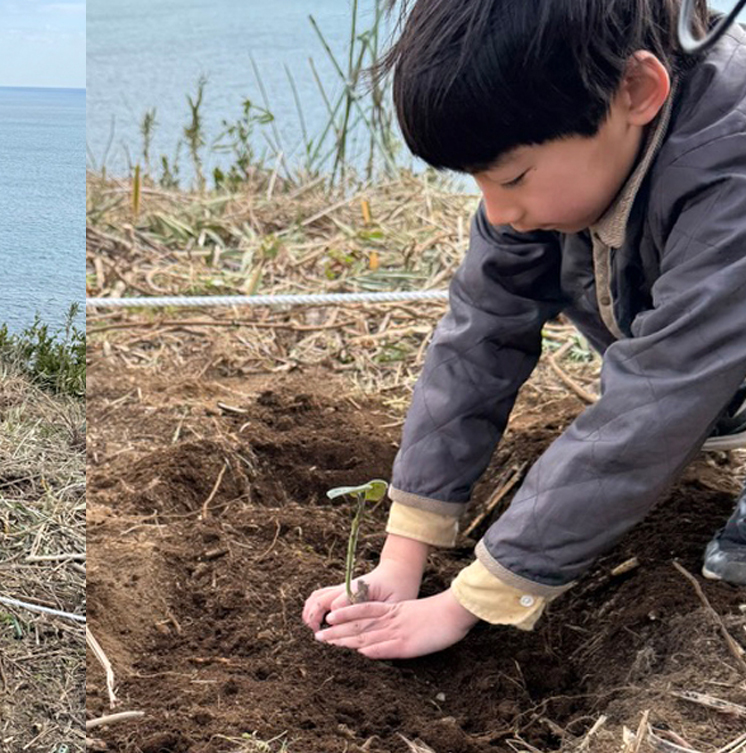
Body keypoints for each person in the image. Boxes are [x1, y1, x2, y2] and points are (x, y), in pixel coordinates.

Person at [302, 0, 746, 659]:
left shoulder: (730, 177)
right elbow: (478, 335)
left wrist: (469, 600)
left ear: (637, 91)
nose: (498, 210)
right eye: (479, 182)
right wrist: (402, 557)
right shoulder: (567, 141)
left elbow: (662, 391)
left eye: (511, 178)